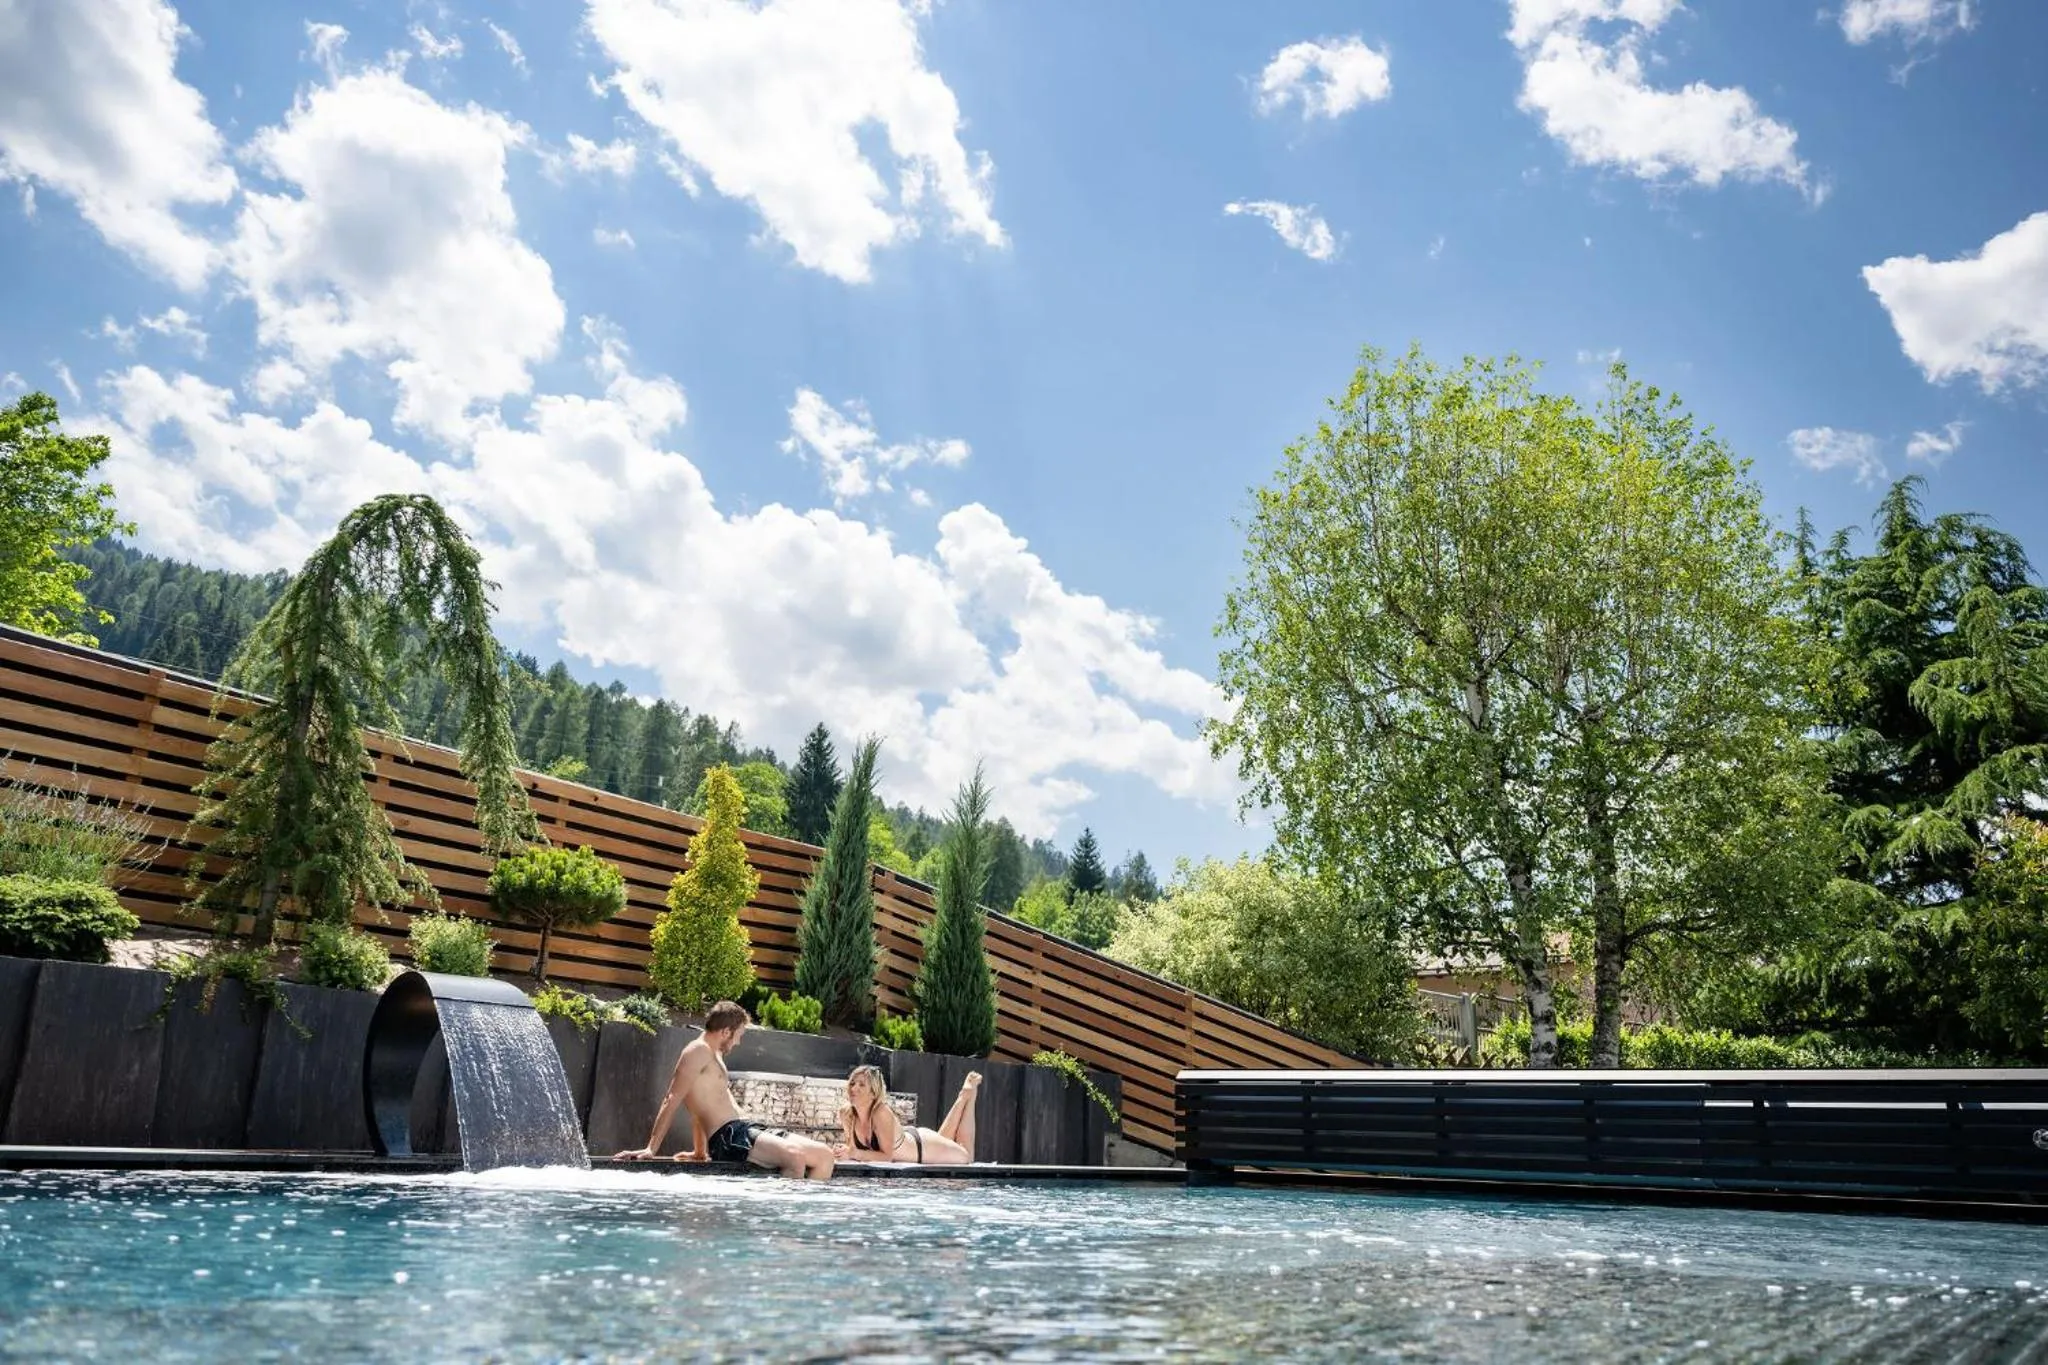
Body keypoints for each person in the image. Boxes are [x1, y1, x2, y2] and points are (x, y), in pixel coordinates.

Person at [614, 1000, 836, 1180]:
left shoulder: (714, 1053)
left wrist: (699, 1152)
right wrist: (651, 1149)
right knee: (794, 1158)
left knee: (824, 1156)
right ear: (726, 1031)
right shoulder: (697, 1051)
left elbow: (699, 1106)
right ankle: (774, 1220)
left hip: (744, 1129)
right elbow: (672, 1098)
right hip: (728, 1137)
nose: (738, 1042)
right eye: (739, 1035)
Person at [835, 1064, 981, 1165]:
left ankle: (969, 1095)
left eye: (861, 1085)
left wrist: (853, 1153)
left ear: (873, 1093)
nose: (853, 1088)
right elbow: (853, 1151)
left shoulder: (880, 1112)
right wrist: (843, 1152)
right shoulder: (846, 1114)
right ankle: (963, 1097)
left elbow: (887, 1157)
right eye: (852, 1083)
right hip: (911, 1140)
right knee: (945, 1141)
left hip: (922, 1147)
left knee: (966, 1157)